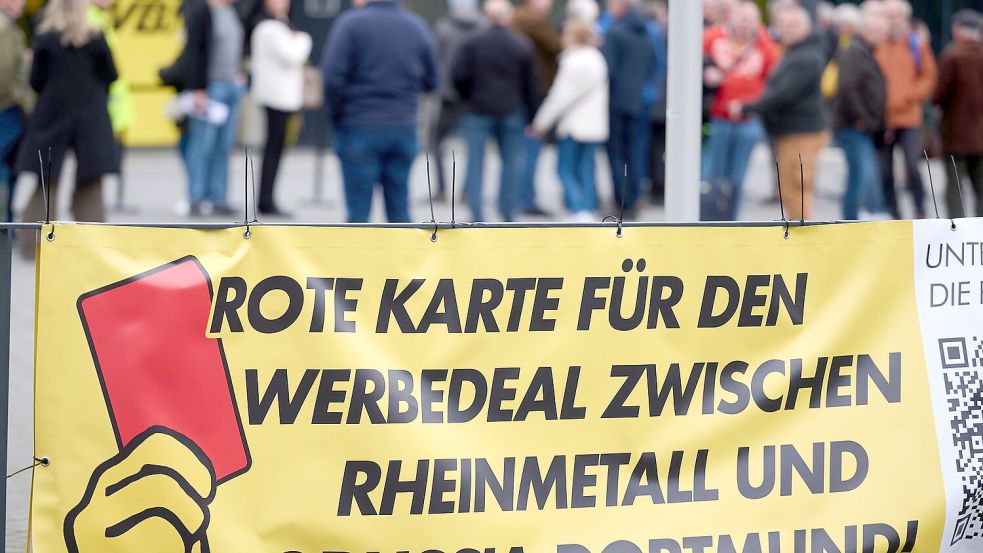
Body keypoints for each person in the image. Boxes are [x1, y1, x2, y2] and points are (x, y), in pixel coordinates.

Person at [320, 0, 438, 223]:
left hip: (358, 123)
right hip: (404, 125)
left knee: (358, 215)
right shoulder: (417, 26)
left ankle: (359, 258)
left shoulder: (350, 24)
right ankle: (403, 257)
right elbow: (433, 81)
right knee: (400, 212)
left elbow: (333, 78)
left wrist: (336, 116)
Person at [15, 0, 117, 242]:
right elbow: (111, 75)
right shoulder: (95, 38)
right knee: (90, 183)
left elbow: (35, 81)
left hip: (53, 114)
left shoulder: (45, 38)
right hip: (90, 116)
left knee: (46, 182)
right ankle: (91, 243)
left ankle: (35, 245)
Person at [732, 6, 827, 221]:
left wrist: (746, 107)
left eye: (794, 25)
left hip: (801, 133)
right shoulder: (794, 51)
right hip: (791, 131)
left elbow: (782, 94)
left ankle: (806, 241)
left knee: (796, 189)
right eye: (784, 25)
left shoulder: (806, 56)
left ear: (807, 28)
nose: (788, 30)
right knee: (790, 189)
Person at [453, 0, 538, 222]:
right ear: (507, 17)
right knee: (511, 163)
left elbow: (458, 76)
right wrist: (531, 115)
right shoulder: (520, 44)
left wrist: (468, 97)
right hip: (511, 109)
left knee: (475, 162)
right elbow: (531, 84)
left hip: (478, 109)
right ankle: (508, 212)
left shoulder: (472, 42)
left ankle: (477, 213)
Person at [702, 1, 779, 219]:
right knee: (713, 173)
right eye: (741, 19)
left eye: (749, 20)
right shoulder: (713, 38)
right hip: (719, 116)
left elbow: (772, 80)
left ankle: (730, 221)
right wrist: (707, 73)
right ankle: (709, 218)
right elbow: (695, 62)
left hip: (749, 119)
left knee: (738, 177)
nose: (745, 24)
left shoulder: (766, 46)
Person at [531, 19, 608, 221]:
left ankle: (578, 208)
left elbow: (559, 97)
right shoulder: (597, 58)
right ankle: (589, 207)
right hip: (595, 125)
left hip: (574, 125)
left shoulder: (572, 61)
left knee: (564, 168)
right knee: (586, 168)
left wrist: (540, 123)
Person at [182, 0, 246, 216]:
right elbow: (194, 52)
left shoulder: (232, 12)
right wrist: (198, 89)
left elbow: (237, 46)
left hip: (231, 87)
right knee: (202, 145)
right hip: (210, 89)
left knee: (223, 146)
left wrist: (240, 73)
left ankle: (218, 198)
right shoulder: (201, 13)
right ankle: (196, 197)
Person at [874, 0, 936, 219]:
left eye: (895, 16)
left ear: (904, 18)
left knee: (912, 166)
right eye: (888, 16)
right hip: (882, 119)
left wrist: (909, 96)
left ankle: (920, 210)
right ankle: (894, 214)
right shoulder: (877, 43)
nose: (892, 21)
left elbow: (928, 77)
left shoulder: (915, 44)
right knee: (884, 172)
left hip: (909, 118)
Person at [250, 0, 311, 216]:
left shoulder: (281, 24)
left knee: (276, 150)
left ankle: (268, 198)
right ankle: (265, 200)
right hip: (276, 99)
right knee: (272, 150)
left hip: (283, 99)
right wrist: (304, 39)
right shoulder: (268, 28)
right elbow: (293, 55)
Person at [832, 11, 890, 220]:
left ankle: (858, 218)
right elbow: (848, 88)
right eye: (882, 31)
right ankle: (852, 221)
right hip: (853, 126)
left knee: (863, 175)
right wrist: (862, 118)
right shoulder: (855, 52)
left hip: (861, 126)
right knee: (861, 176)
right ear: (868, 31)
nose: (885, 36)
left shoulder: (864, 52)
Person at [603, 0, 655, 219]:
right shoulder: (645, 32)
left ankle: (621, 200)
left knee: (616, 153)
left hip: (616, 102)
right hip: (638, 101)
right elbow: (652, 64)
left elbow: (608, 69)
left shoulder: (614, 33)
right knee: (635, 152)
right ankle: (634, 197)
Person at [432, 0, 487, 200]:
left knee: (435, 142)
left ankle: (441, 189)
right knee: (472, 146)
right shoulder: (483, 27)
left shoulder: (443, 27)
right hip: (472, 97)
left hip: (447, 95)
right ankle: (467, 191)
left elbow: (435, 59)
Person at [512, 0, 561, 217]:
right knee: (530, 147)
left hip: (527, 93)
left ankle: (522, 197)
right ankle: (526, 199)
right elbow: (557, 44)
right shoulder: (529, 20)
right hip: (534, 94)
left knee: (525, 148)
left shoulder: (522, 19)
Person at [934, 9, 983, 218]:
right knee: (981, 188)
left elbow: (938, 95)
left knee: (955, 188)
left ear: (958, 31)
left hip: (957, 135)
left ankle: (957, 232)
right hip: (981, 136)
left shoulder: (951, 57)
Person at [0, 0, 31, 222]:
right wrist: (21, 99)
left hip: (8, 108)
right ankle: (4, 224)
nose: (23, 2)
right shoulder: (4, 28)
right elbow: (5, 75)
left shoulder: (9, 25)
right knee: (4, 169)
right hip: (7, 109)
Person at [644, 0, 668, 204]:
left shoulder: (651, 33)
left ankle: (656, 186)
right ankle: (660, 186)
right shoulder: (664, 32)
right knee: (660, 147)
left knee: (654, 147)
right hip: (662, 100)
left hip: (654, 100)